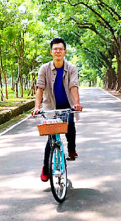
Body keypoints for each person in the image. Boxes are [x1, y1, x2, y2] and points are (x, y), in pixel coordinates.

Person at [32, 37, 83, 182]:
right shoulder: (44, 68)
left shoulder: (72, 68)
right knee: (51, 138)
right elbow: (40, 88)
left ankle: (71, 150)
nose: (58, 51)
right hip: (50, 107)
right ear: (51, 52)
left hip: (67, 105)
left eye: (60, 49)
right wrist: (37, 107)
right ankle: (45, 167)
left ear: (65, 52)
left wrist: (77, 104)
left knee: (70, 126)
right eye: (55, 49)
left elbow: (74, 86)